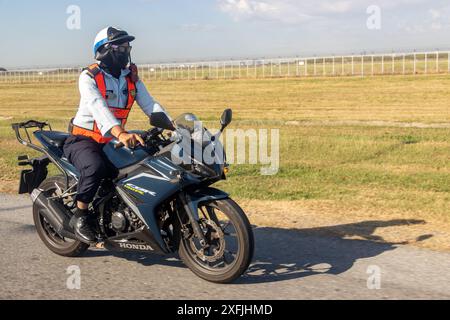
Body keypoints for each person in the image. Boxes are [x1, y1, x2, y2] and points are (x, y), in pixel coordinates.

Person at [63, 27, 170, 244]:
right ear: (104, 49)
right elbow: (98, 107)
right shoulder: (89, 77)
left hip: (112, 139)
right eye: (119, 46)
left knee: (147, 157)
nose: (125, 50)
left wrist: (173, 125)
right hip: (84, 139)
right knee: (94, 168)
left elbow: (150, 104)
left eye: (127, 46)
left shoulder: (130, 78)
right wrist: (120, 132)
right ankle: (80, 216)